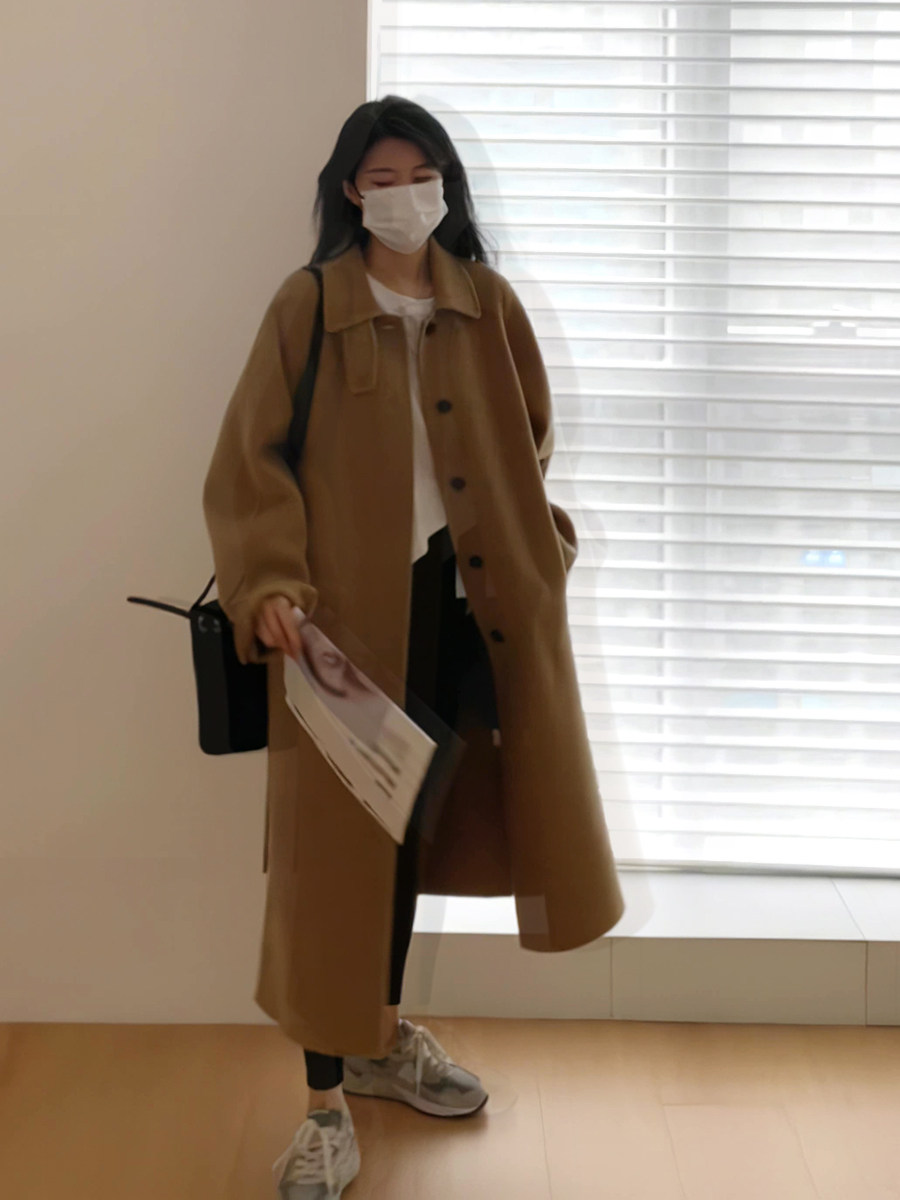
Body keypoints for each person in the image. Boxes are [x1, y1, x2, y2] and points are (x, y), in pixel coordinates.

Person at [202, 94, 625, 1199]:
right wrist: (271, 581)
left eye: (421, 175)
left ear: (447, 184)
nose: (404, 196)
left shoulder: (486, 303)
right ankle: (322, 1107)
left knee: (405, 846)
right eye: (382, 178)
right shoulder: (310, 305)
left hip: (463, 610)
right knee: (334, 869)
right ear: (350, 190)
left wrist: (541, 546)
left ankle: (380, 1041)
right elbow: (251, 462)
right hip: (338, 634)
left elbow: (529, 438)